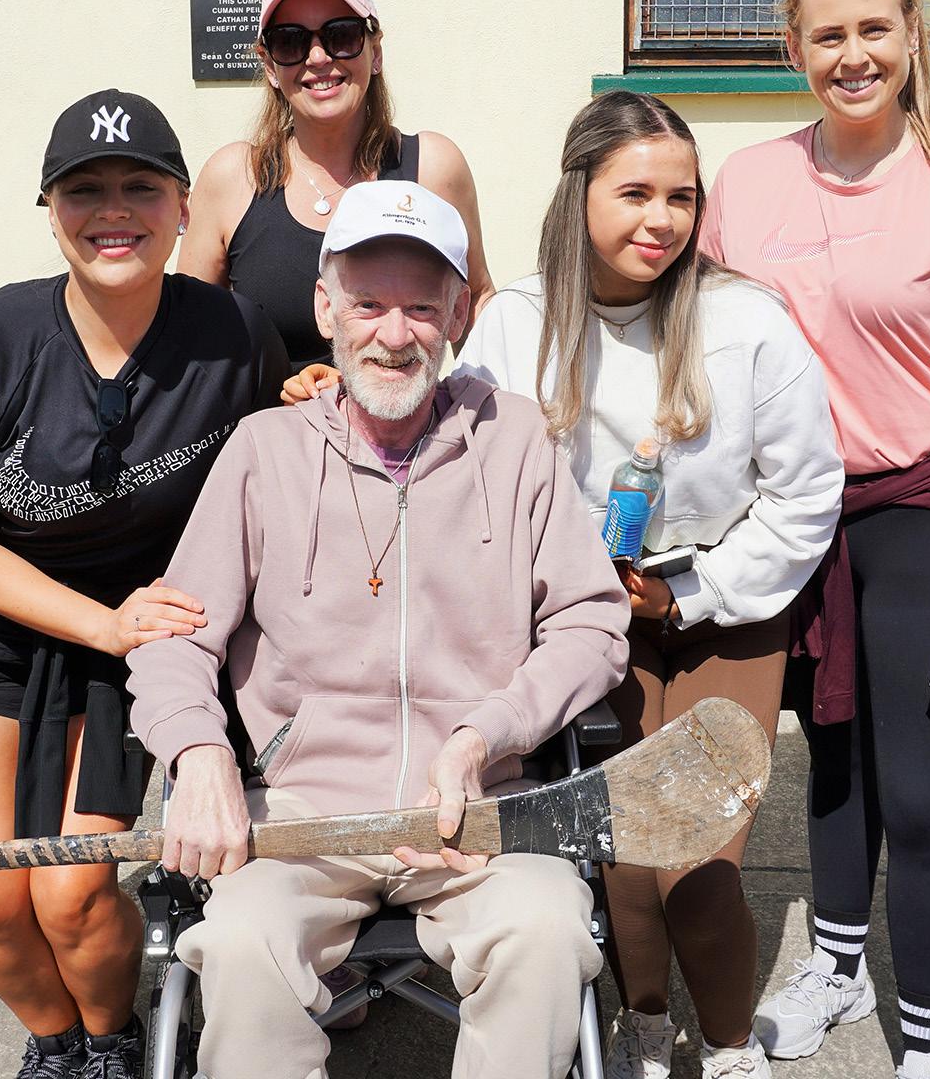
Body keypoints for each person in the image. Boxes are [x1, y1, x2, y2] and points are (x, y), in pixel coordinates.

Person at [126, 180, 630, 1079]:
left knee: (550, 929)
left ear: (458, 315)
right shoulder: (263, 451)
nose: (394, 336)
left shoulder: (517, 442)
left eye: (422, 308)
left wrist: (485, 736)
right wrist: (197, 754)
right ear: (326, 308)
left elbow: (591, 623)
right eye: (368, 305)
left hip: (478, 816)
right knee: (237, 942)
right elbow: (176, 634)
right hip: (302, 819)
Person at [697, 0, 930, 1079]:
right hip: (794, 518)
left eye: (873, 29)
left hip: (922, 513)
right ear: (792, 47)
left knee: (923, 797)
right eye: (827, 34)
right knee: (832, 765)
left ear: (910, 34)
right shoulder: (747, 183)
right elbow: (703, 348)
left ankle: (926, 1045)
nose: (853, 54)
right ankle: (837, 967)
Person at [0, 88, 288, 1079]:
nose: (113, 211)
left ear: (182, 207)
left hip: (133, 632)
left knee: (71, 891)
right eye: (84, 189)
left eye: (140, 187)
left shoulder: (233, 333)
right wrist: (104, 624)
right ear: (49, 209)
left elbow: (281, 456)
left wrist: (311, 386)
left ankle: (114, 1039)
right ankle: (55, 1043)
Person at [455, 90, 844, 1079]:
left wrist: (693, 591)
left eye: (682, 196)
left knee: (698, 862)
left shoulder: (745, 319)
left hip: (721, 605)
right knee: (625, 858)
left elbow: (805, 493)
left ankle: (728, 1049)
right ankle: (639, 1029)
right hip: (585, 618)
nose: (661, 219)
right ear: (578, 191)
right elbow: (467, 478)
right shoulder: (514, 326)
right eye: (635, 193)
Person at [179, 0, 495, 386]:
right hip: (269, 427)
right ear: (269, 65)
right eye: (290, 41)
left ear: (375, 51)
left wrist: (480, 408)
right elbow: (190, 335)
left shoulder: (433, 168)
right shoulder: (233, 178)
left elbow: (475, 302)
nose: (317, 57)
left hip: (404, 426)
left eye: (340, 35)